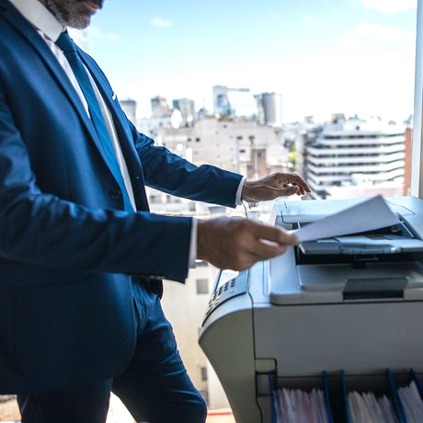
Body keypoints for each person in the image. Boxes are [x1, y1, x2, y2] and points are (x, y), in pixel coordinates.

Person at [0, 0, 311, 422]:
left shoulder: (79, 59)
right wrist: (194, 239)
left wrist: (242, 187)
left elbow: (138, 153)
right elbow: (15, 217)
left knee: (185, 412)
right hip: (63, 318)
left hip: (137, 298)